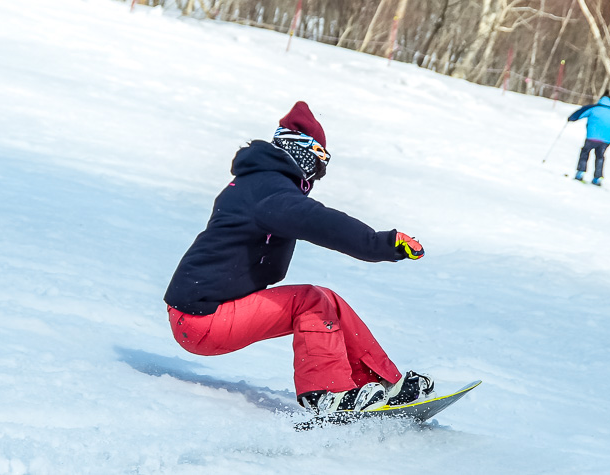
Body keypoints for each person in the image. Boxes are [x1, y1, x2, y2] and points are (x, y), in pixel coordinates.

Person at [164, 102, 434, 417]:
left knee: (327, 300)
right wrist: (382, 244)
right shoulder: (271, 191)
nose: (318, 175)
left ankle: (383, 384)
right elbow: (319, 222)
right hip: (201, 319)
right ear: (305, 153)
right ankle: (327, 396)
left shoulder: (259, 182)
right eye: (321, 162)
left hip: (203, 313)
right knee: (310, 301)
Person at [567, 92, 610, 186]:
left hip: (592, 137)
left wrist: (571, 118)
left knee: (585, 152)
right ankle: (597, 178)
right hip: (606, 140)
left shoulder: (593, 109)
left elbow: (579, 113)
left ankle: (580, 173)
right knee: (600, 156)